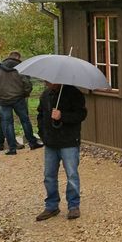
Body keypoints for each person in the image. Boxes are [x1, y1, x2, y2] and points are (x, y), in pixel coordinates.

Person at [35, 82, 87, 221]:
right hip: (50, 142)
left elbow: (81, 114)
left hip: (69, 141)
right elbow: (40, 114)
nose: (46, 83)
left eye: (49, 81)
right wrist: (42, 133)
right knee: (49, 175)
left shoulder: (74, 93)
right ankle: (51, 206)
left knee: (72, 175)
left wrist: (62, 116)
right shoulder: (46, 95)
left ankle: (73, 205)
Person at [0, 51, 42, 154]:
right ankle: (32, 143)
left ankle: (12, 148)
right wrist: (25, 94)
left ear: (8, 57)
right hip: (19, 99)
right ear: (18, 57)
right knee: (25, 121)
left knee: (8, 123)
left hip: (4, 100)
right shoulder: (20, 68)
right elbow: (27, 83)